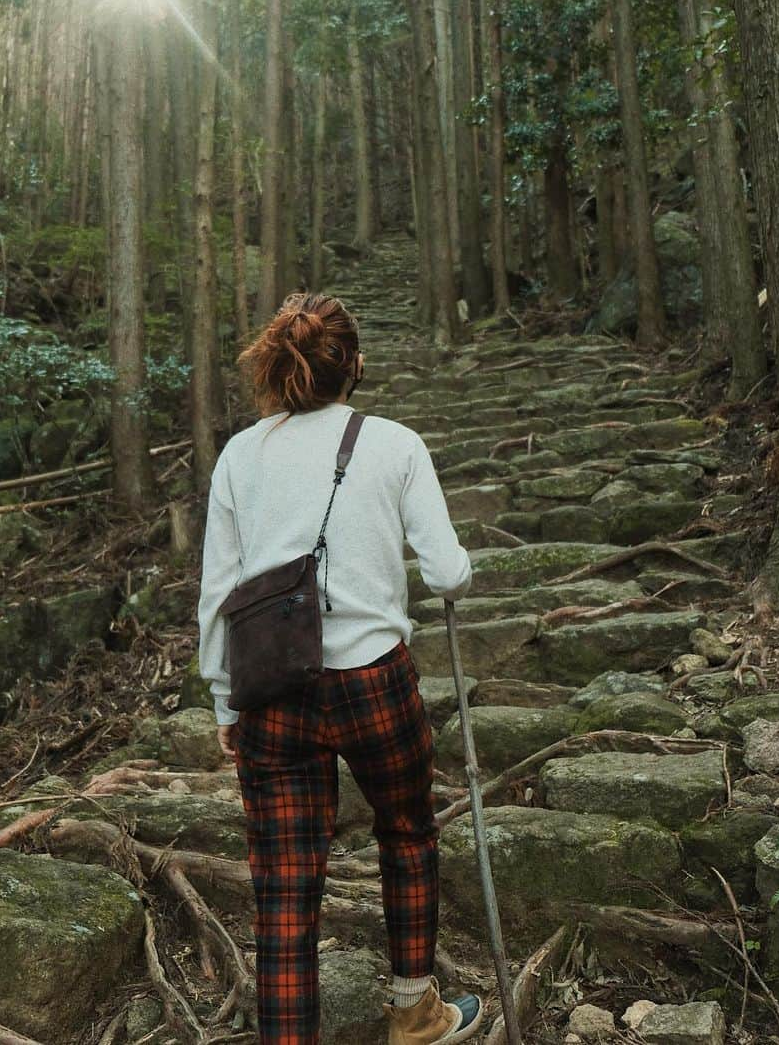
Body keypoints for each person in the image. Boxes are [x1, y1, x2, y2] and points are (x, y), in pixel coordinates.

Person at [198, 292, 482, 1045]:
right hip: (373, 682)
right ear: (355, 365)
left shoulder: (240, 456)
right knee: (408, 832)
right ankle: (416, 1014)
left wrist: (226, 706)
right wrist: (455, 571)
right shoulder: (394, 444)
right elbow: (448, 573)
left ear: (277, 365)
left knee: (285, 882)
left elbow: (219, 594)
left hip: (271, 692)